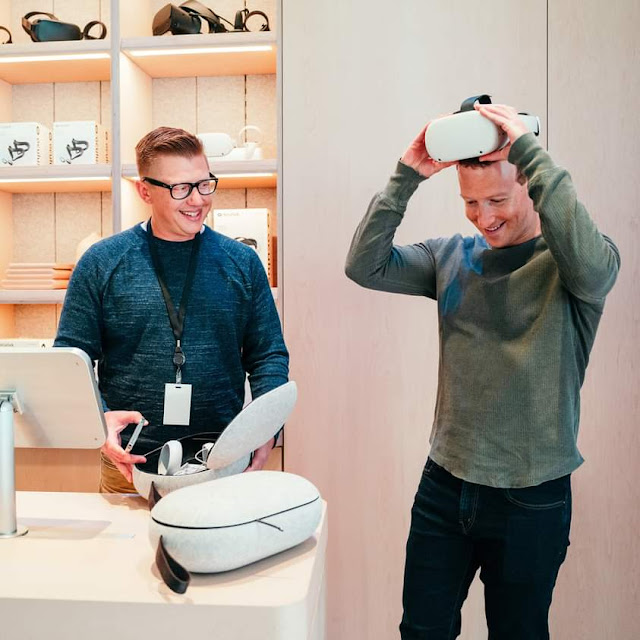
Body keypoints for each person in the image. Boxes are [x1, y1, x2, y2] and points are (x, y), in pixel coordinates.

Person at [345, 102, 620, 639]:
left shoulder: (574, 266)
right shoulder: (449, 257)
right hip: (444, 487)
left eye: (497, 199)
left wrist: (531, 153)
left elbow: (594, 271)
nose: (483, 216)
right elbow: (364, 265)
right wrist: (406, 175)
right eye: (470, 202)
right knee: (421, 631)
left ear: (531, 184)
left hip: (531, 498)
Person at [55, 126, 288, 493]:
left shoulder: (242, 262)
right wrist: (98, 419)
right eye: (181, 188)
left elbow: (268, 355)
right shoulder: (101, 262)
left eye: (204, 184)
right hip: (129, 468)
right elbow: (71, 357)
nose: (198, 200)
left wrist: (267, 427)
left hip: (224, 464)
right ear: (144, 190)